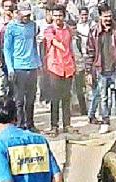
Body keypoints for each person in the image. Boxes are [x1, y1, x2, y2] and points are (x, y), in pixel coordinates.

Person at [86, 3, 116, 134]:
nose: (108, 19)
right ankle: (105, 121)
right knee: (103, 98)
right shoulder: (94, 31)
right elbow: (90, 52)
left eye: (110, 16)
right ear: (100, 16)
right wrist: (88, 72)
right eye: (105, 16)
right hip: (101, 69)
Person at [4, 1, 41, 132]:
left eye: (28, 15)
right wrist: (10, 68)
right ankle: (20, 124)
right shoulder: (11, 27)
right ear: (18, 13)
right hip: (18, 67)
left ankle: (30, 124)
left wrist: (39, 64)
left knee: (31, 99)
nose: (26, 17)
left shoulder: (33, 26)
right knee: (19, 100)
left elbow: (35, 46)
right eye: (24, 15)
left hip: (32, 67)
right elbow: (7, 49)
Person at [44, 4, 76, 136]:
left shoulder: (68, 29)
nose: (58, 18)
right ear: (52, 16)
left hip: (68, 66)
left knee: (66, 98)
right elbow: (52, 41)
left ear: (64, 16)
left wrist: (74, 64)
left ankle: (67, 124)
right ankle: (54, 126)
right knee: (55, 99)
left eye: (60, 15)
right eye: (55, 15)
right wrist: (61, 46)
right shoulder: (49, 30)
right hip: (55, 67)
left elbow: (71, 47)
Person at [0, 0, 14, 97]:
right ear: (3, 8)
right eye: (6, 6)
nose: (8, 9)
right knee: (2, 86)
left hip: (15, 58)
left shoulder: (16, 22)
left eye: (10, 6)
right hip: (2, 57)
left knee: (14, 86)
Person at [68, 19, 87, 116]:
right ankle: (70, 110)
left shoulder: (79, 39)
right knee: (69, 90)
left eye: (75, 28)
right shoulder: (65, 39)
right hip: (69, 68)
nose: (74, 30)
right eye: (72, 28)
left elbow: (84, 54)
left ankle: (83, 110)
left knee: (80, 90)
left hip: (79, 67)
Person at [35, 5, 53, 106]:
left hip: (52, 51)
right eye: (48, 12)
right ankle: (43, 97)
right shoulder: (39, 24)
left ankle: (50, 97)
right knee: (42, 76)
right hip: (41, 50)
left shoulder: (55, 25)